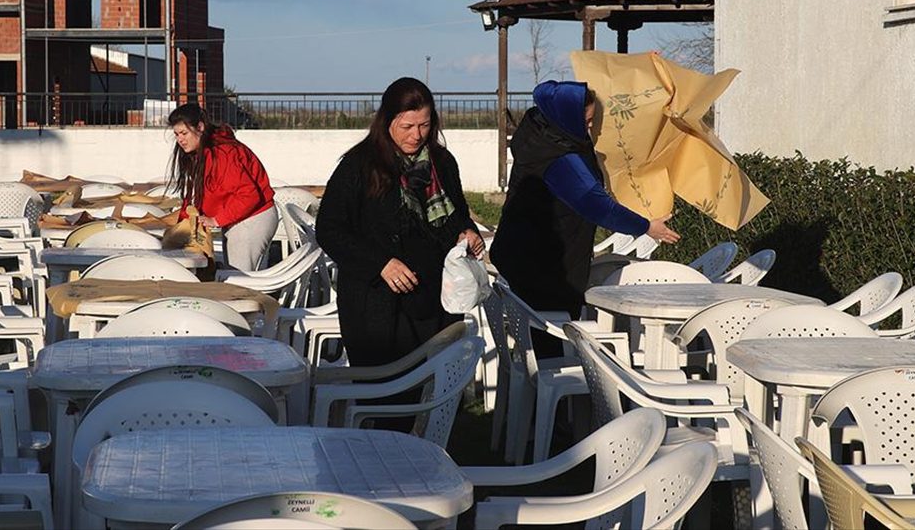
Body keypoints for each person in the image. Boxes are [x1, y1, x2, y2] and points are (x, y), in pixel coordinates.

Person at [316, 77, 483, 371]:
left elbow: (456, 215)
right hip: (378, 306)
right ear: (387, 121)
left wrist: (467, 232)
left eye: (425, 125)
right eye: (407, 126)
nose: (417, 135)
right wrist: (380, 263)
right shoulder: (360, 165)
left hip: (435, 302)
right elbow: (329, 229)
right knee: (385, 399)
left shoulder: (442, 163)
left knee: (431, 391)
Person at [490, 80, 680, 322]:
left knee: (534, 334)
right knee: (551, 340)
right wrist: (647, 227)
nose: (591, 129)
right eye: (587, 122)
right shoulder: (559, 160)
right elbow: (598, 207)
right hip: (545, 266)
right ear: (568, 119)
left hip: (523, 255)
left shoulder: (541, 132)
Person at [167, 103, 278, 271]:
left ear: (200, 127)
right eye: (176, 134)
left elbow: (249, 195)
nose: (180, 139)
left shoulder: (223, 153)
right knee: (235, 276)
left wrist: (216, 220)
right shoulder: (200, 154)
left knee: (237, 281)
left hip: (252, 219)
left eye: (184, 133)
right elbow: (194, 196)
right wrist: (183, 225)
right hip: (241, 219)